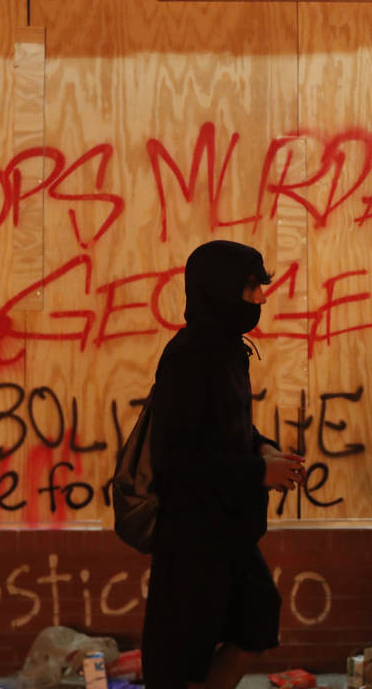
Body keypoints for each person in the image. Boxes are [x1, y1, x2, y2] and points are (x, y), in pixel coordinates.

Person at [141, 240, 306, 689]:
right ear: (221, 289)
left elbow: (230, 431)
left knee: (256, 614)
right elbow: (177, 460)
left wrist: (264, 451)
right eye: (251, 287)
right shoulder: (188, 356)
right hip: (193, 536)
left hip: (227, 529)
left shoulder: (229, 350)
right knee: (182, 658)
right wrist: (258, 473)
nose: (261, 298)